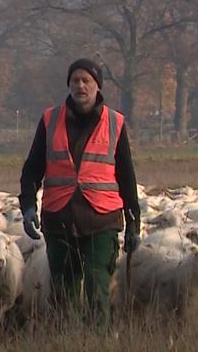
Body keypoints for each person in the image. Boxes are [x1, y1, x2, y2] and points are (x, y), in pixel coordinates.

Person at [18, 57, 140, 326]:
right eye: (75, 80)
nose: (80, 86)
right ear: (68, 85)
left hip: (101, 219)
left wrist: (134, 222)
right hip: (59, 218)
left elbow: (127, 177)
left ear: (98, 86)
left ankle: (96, 349)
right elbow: (32, 169)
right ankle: (67, 346)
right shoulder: (50, 120)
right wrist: (28, 206)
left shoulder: (115, 123)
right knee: (64, 290)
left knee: (98, 286)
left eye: (87, 80)